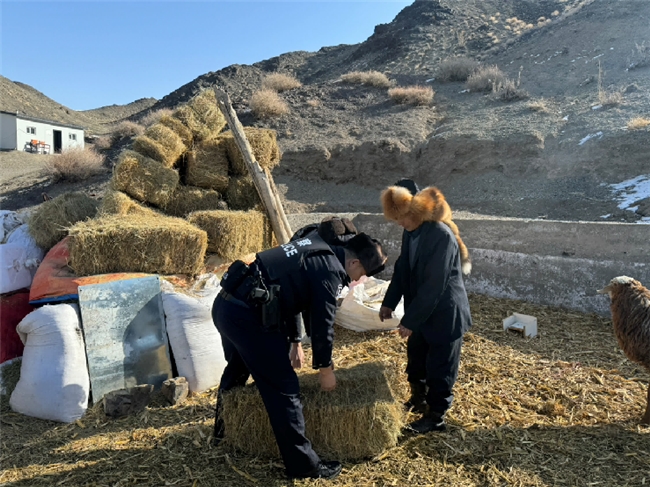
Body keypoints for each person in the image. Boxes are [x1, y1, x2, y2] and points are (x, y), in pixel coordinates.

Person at [212, 232, 387, 480]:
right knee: (284, 387)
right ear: (354, 262)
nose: (359, 279)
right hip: (248, 316)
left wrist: (295, 342)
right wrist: (325, 370)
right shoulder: (330, 272)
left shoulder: (315, 246)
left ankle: (223, 431)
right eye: (362, 273)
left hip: (227, 306)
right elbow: (322, 325)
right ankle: (304, 466)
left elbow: (288, 293)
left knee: (238, 368)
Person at [378, 180, 472, 433]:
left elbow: (435, 284)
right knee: (417, 358)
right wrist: (389, 302)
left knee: (441, 366)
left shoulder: (440, 235)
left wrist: (410, 320)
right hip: (421, 309)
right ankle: (418, 399)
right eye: (396, 218)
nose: (400, 223)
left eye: (403, 217)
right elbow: (402, 269)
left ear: (417, 210)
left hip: (444, 311)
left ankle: (436, 415)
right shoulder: (410, 232)